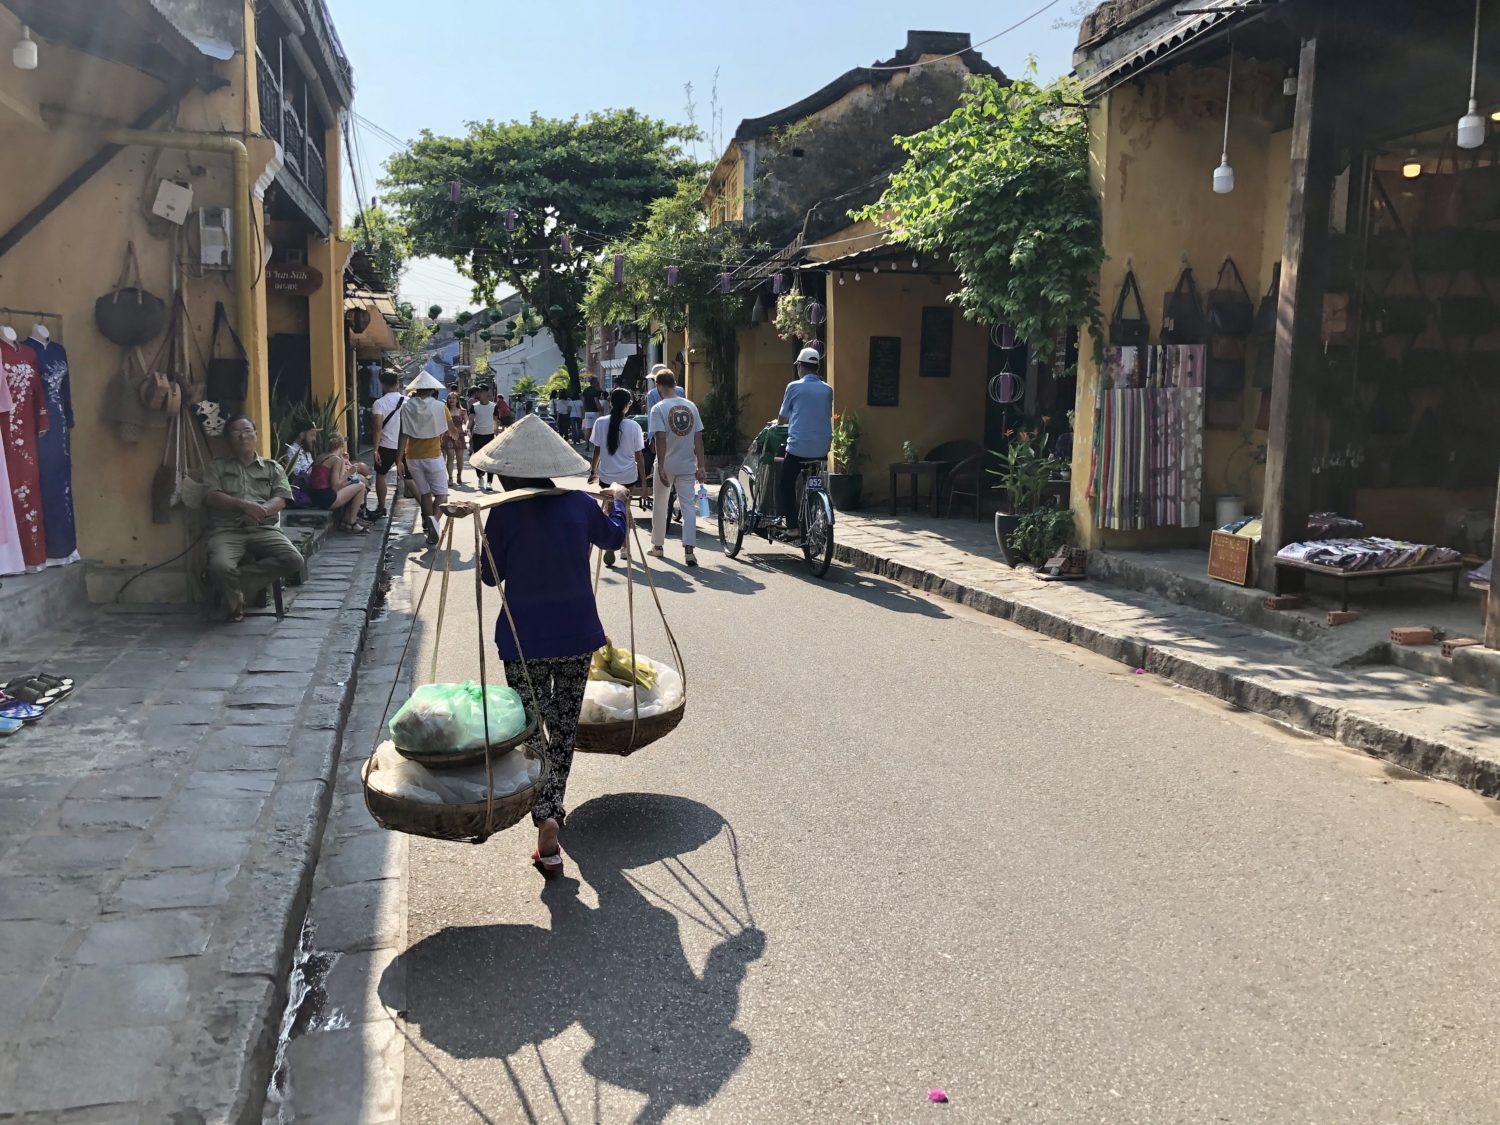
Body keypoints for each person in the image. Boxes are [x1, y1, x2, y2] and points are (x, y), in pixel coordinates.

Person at [471, 414, 630, 877]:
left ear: (509, 474)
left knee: (531, 729)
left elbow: (490, 576)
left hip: (523, 642)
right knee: (562, 728)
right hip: (576, 637)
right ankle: (551, 813)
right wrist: (618, 502)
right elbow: (614, 536)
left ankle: (546, 813)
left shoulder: (504, 514)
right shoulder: (580, 504)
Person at [203, 415, 305, 622]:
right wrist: (242, 505)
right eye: (236, 432)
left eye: (248, 431)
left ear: (256, 435)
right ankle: (235, 606)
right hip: (227, 530)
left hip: (263, 528)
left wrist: (262, 510)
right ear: (228, 439)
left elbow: (282, 498)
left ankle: (236, 585)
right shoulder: (217, 467)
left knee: (294, 560)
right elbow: (211, 495)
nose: (243, 436)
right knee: (220, 566)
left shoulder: (272, 467)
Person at [647, 370, 705, 567]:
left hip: (667, 463)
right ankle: (689, 551)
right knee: (688, 506)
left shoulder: (658, 408)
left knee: (660, 504)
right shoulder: (691, 406)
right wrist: (702, 465)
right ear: (674, 384)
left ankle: (658, 545)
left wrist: (661, 466)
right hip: (687, 463)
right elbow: (698, 438)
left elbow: (660, 438)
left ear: (659, 386)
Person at [776, 346, 834, 541]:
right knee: (813, 480)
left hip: (798, 448)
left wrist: (779, 423)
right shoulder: (827, 390)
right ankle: (813, 509)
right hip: (822, 448)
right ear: (817, 368)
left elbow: (782, 418)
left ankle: (793, 527)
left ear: (800, 366)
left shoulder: (794, 387)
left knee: (786, 483)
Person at [588, 387, 646, 567]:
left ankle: (610, 545)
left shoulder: (600, 422)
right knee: (624, 509)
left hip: (607, 476)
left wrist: (593, 471)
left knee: (609, 509)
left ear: (611, 403)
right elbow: (639, 455)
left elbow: (597, 450)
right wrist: (644, 481)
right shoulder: (634, 426)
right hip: (628, 477)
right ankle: (624, 547)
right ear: (627, 405)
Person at [398, 371, 450, 545]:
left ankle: (429, 527)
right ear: (433, 390)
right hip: (433, 456)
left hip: (412, 457)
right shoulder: (440, 407)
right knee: (442, 494)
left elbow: (403, 435)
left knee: (425, 494)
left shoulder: (406, 407)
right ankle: (434, 522)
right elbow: (450, 430)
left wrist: (398, 460)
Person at [308, 433, 370, 533]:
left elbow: (338, 480)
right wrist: (350, 472)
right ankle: (352, 522)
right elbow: (336, 486)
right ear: (341, 446)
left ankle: (345, 520)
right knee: (361, 486)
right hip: (326, 498)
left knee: (355, 485)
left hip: (315, 496)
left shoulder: (321, 456)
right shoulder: (335, 460)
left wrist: (344, 463)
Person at [370, 370, 404, 519]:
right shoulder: (407, 401)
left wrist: (375, 449)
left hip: (386, 445)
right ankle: (425, 511)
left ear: (382, 385)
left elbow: (377, 428)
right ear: (397, 384)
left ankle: (382, 506)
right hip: (405, 445)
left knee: (381, 475)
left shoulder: (379, 403)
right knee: (410, 477)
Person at [468, 383, 500, 492]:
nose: (478, 393)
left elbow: (495, 421)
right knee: (478, 458)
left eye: (480, 391)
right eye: (477, 391)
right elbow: (471, 419)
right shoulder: (474, 406)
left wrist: (496, 434)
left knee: (490, 460)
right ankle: (480, 477)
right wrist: (467, 429)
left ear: (486, 392)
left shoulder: (493, 406)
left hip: (489, 435)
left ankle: (489, 482)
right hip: (477, 435)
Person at [443, 393, 467, 487]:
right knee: (450, 456)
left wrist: (466, 428)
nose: (451, 400)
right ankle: (450, 477)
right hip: (448, 435)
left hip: (459, 436)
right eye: (449, 398)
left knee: (460, 458)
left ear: (457, 400)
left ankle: (459, 474)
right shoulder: (445, 411)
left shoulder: (462, 411)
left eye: (453, 398)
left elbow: (467, 421)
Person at [581, 377, 603, 443]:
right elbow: (596, 401)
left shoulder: (585, 390)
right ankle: (595, 444)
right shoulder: (595, 391)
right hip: (595, 412)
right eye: (597, 382)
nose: (598, 383)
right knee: (595, 428)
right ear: (594, 383)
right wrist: (600, 409)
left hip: (587, 412)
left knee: (588, 429)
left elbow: (583, 402)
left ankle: (587, 445)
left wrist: (584, 411)